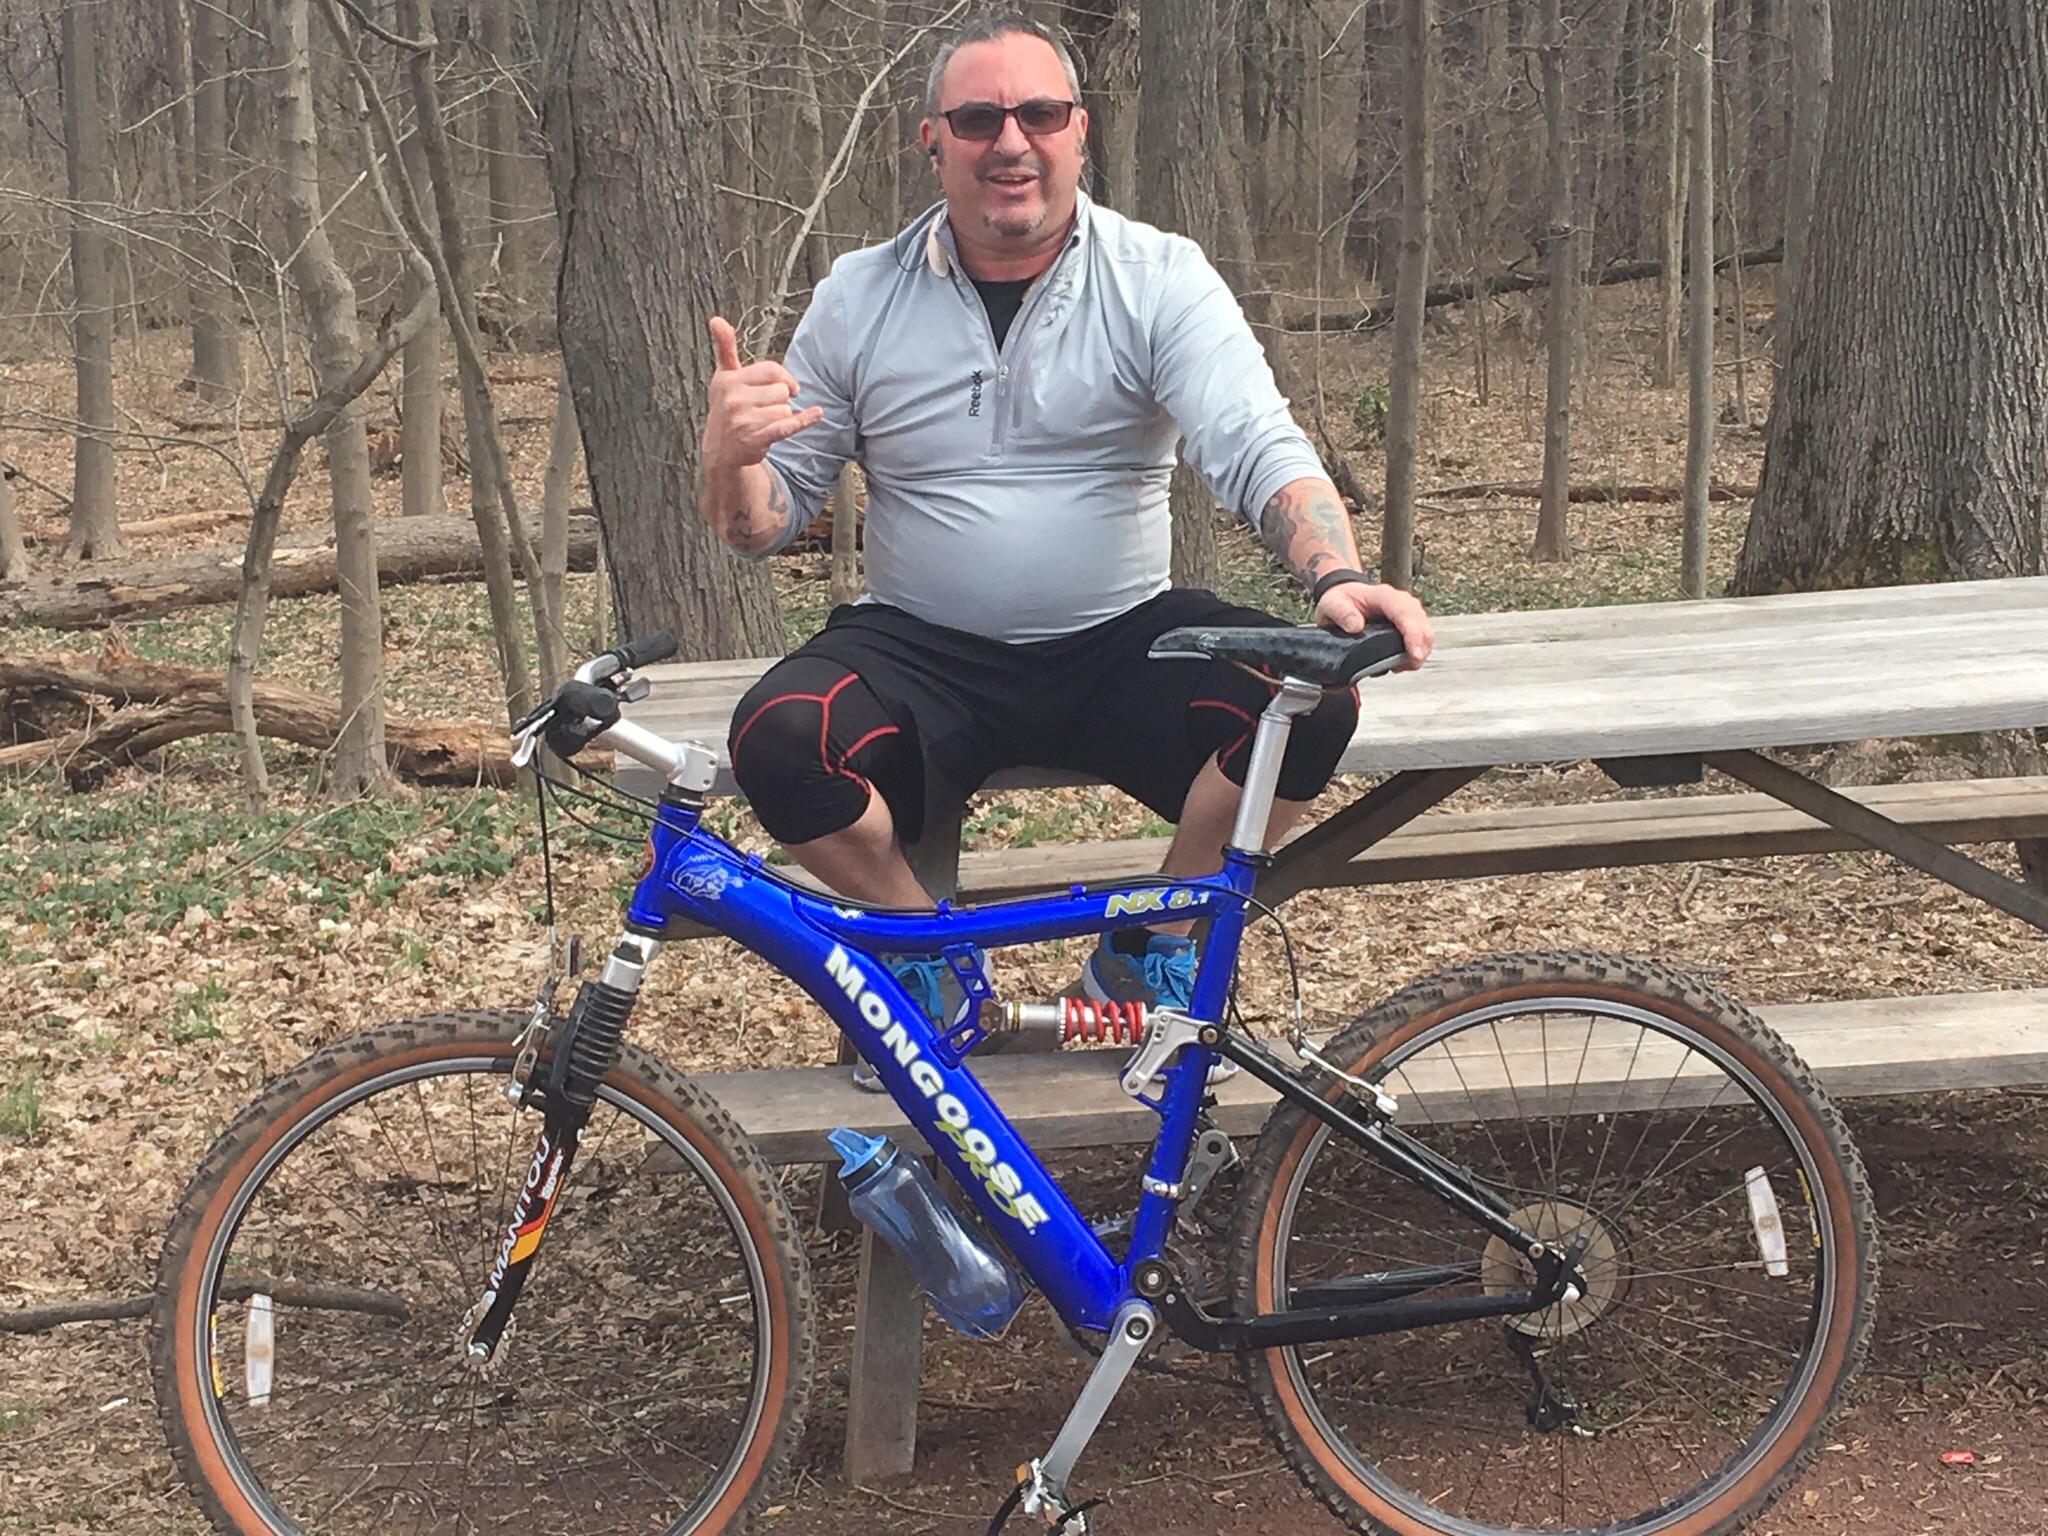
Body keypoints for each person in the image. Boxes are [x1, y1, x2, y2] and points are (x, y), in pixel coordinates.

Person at [696, 11, 1432, 1065]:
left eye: (1039, 113)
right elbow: (758, 526)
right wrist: (729, 458)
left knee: (1308, 702)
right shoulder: (859, 295)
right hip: (920, 649)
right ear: (932, 140)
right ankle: (920, 955)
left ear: (1079, 130)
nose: (1011, 141)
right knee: (778, 736)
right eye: (978, 118)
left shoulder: (1157, 276)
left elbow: (1253, 442)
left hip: (1121, 640)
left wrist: (1335, 572)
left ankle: (1149, 948)